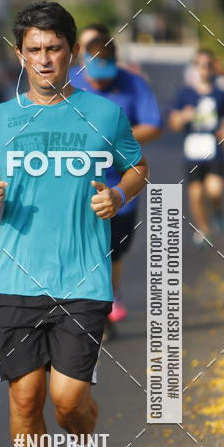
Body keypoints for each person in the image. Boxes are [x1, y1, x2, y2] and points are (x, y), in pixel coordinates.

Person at [0, 1, 149, 447]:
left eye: (54, 49)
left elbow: (137, 165)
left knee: (69, 402)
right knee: (25, 399)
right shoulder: (0, 119)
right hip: (16, 280)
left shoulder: (105, 114)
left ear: (72, 52)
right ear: (19, 55)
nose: (45, 60)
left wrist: (118, 192)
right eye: (34, 51)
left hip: (84, 278)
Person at [71, 32, 162, 329]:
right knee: (80, 250)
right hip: (74, 185)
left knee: (111, 252)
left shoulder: (133, 83)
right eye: (94, 77)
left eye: (105, 76)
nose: (99, 84)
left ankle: (107, 300)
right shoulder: (68, 82)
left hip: (118, 184)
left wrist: (114, 139)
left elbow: (154, 125)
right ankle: (86, 308)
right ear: (83, 61)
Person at [169, 48, 224, 245]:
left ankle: (217, 211)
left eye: (207, 65)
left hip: (214, 149)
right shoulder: (185, 94)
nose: (204, 68)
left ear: (212, 68)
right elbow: (173, 123)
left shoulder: (221, 93)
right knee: (196, 195)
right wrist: (183, 117)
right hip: (193, 152)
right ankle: (203, 230)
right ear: (194, 67)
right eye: (200, 64)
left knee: (214, 191)